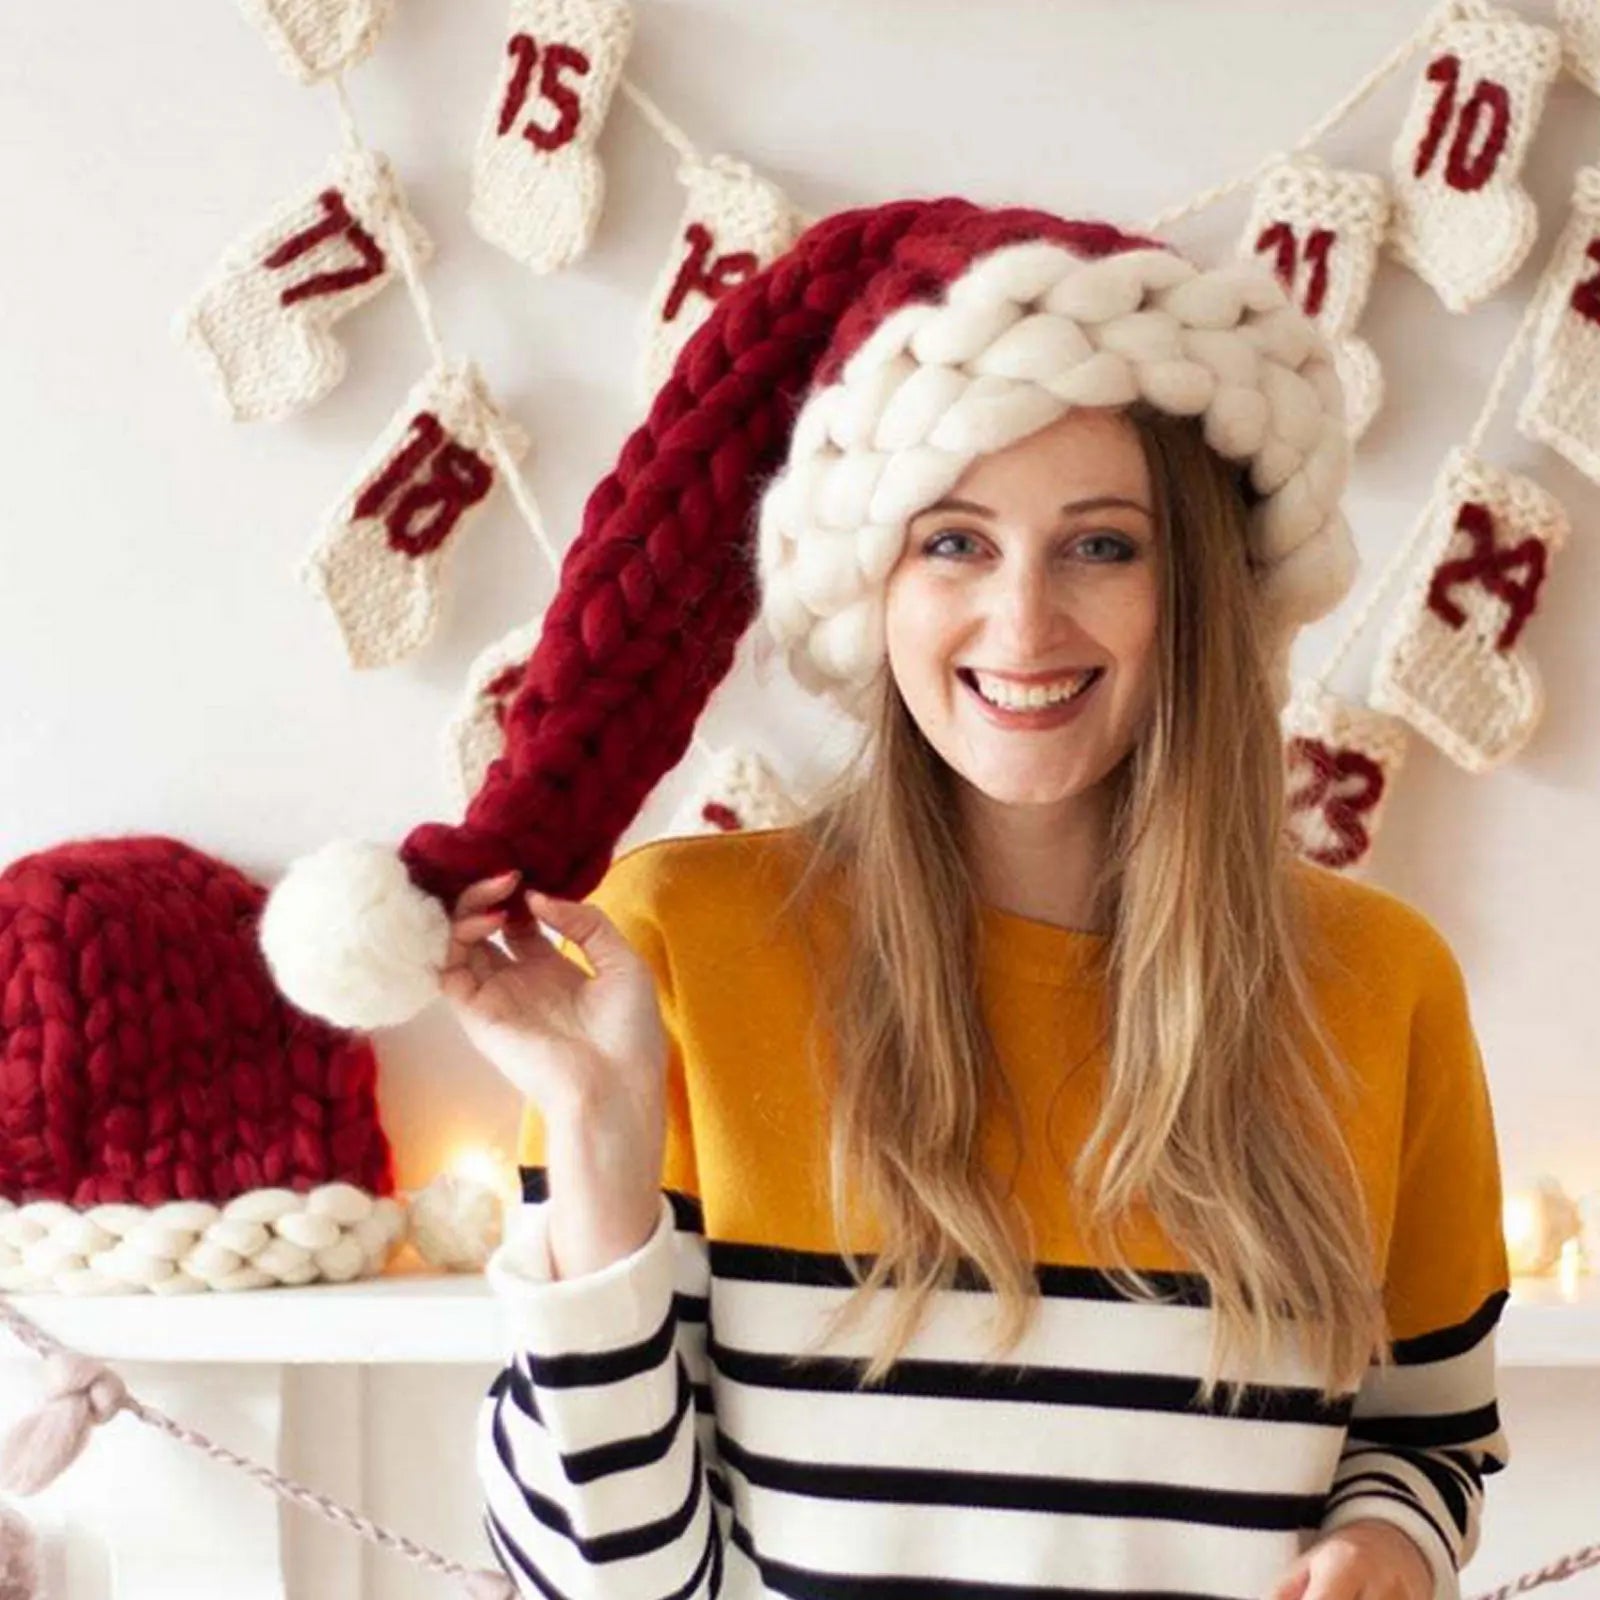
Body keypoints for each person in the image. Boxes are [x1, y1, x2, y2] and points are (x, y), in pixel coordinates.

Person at [258, 200, 1511, 1600]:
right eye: (955, 543)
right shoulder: (673, 952)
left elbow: (1430, 1435)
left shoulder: (1381, 983)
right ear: (877, 587)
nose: (1023, 624)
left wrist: (1390, 1547)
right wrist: (600, 1133)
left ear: (1201, 588)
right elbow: (607, 1585)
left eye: (1103, 545)